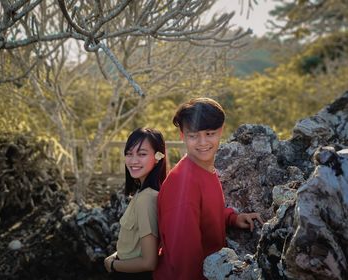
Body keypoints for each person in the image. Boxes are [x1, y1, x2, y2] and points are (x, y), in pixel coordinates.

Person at [153, 97, 264, 280]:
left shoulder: (203, 168)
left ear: (221, 131)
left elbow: (204, 212)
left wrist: (231, 218)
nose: (202, 142)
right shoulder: (182, 184)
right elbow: (184, 258)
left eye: (209, 133)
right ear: (182, 135)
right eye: (193, 136)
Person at [104, 127, 167, 280]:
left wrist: (112, 265)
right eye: (129, 154)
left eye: (142, 154)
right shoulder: (141, 192)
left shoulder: (147, 198)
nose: (133, 161)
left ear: (158, 157)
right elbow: (134, 245)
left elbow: (149, 262)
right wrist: (116, 255)